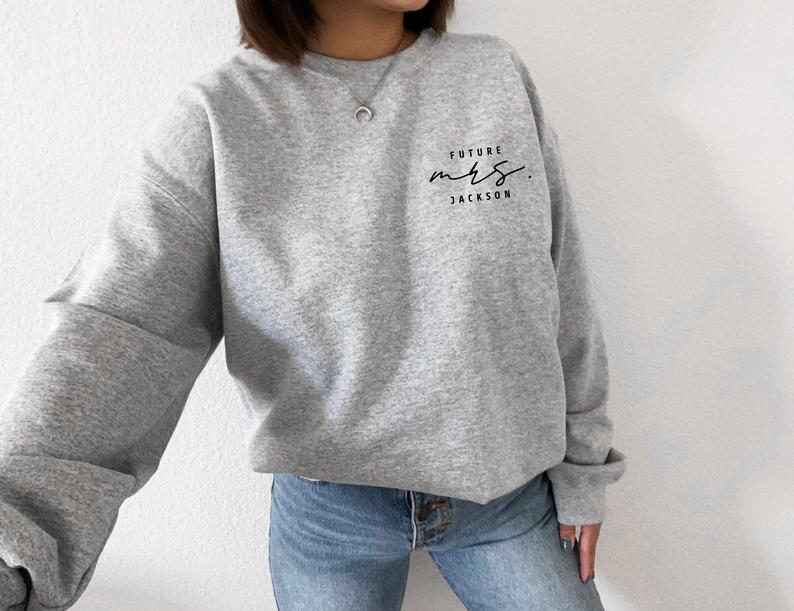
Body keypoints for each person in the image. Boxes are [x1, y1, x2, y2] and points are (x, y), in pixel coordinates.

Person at [0, 0, 628, 609]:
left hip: (509, 498)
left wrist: (584, 468)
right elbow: (120, 328)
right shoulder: (223, 114)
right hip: (330, 515)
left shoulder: (491, 75)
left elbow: (559, 275)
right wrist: (12, 544)